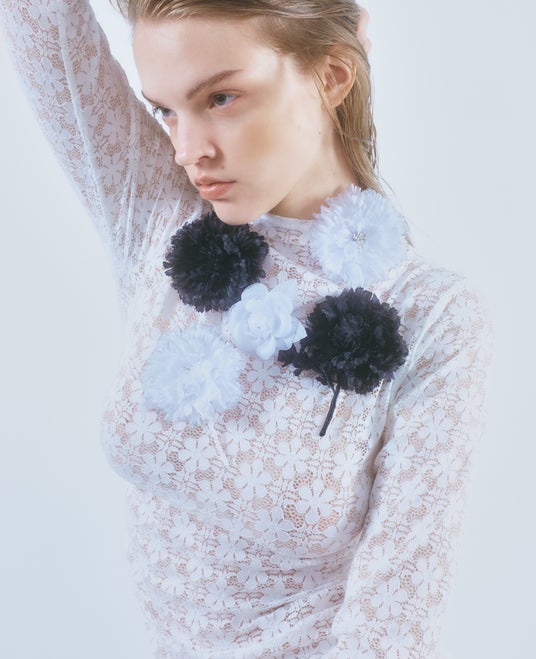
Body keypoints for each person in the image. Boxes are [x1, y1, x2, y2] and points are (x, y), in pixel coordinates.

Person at [0, 1, 492, 657]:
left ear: (332, 75)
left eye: (222, 98)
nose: (188, 151)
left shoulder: (431, 314)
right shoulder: (157, 217)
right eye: (165, 110)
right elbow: (39, 19)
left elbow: (392, 633)